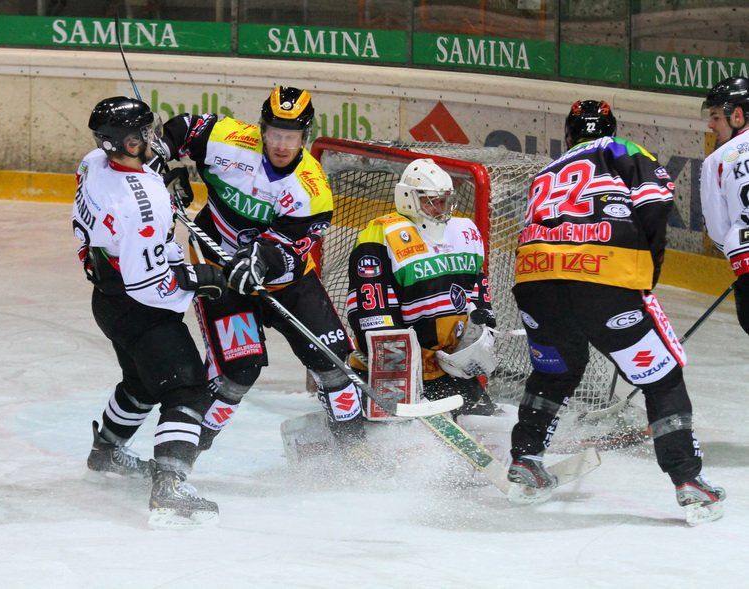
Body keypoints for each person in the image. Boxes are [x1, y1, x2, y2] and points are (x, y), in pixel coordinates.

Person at [507, 100, 725, 523]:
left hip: (534, 281)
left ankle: (526, 458)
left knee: (556, 371)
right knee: (661, 377)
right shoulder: (622, 149)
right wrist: (648, 270)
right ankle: (688, 481)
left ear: (569, 134)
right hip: (604, 277)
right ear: (610, 128)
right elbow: (655, 205)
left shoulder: (547, 171)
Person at [152, 86, 369, 461]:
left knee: (333, 362)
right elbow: (183, 129)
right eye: (276, 134)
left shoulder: (312, 190)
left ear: (305, 136)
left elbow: (288, 248)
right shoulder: (229, 140)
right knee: (237, 372)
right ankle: (179, 460)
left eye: (292, 136)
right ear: (262, 129)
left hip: (288, 283)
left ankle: (354, 454)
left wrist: (261, 260)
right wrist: (157, 165)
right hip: (221, 276)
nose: (282, 145)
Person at [73, 96, 227, 528]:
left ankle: (105, 451)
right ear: (126, 142)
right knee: (187, 389)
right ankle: (170, 487)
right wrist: (196, 279)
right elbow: (148, 284)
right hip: (141, 307)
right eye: (144, 133)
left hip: (108, 300)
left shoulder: (92, 163)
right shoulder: (142, 205)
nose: (153, 137)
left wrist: (153, 176)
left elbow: (125, 194)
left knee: (141, 382)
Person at [346, 158, 498, 417]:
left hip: (446, 365)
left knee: (482, 419)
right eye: (431, 201)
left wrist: (481, 329)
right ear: (408, 198)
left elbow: (478, 293)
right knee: (395, 431)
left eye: (444, 201)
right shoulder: (383, 234)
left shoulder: (465, 232)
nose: (440, 209)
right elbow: (373, 314)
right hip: (395, 367)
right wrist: (403, 374)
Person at [700, 76, 749, 336]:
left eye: (716, 116)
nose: (710, 124)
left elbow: (717, 230)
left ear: (737, 116)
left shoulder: (716, 161)